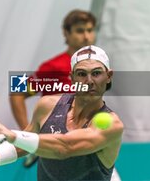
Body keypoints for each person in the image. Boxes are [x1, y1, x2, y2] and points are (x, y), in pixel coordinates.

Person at [0, 45, 124, 181]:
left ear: (109, 76)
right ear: (72, 77)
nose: (90, 81)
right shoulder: (47, 105)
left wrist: (12, 135)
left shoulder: (112, 125)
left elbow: (65, 147)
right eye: (82, 74)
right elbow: (26, 143)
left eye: (97, 73)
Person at [10, 9, 97, 167]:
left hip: (90, 147)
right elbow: (17, 91)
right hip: (58, 151)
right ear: (66, 33)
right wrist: (27, 134)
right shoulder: (52, 67)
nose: (86, 36)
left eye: (90, 30)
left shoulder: (98, 68)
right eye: (80, 31)